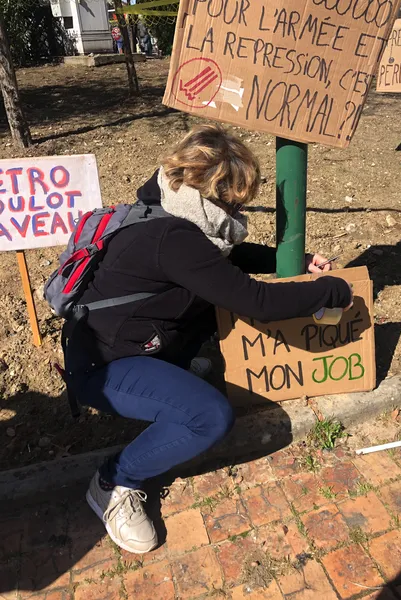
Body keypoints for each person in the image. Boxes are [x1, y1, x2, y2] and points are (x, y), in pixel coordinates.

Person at [64, 124, 353, 554]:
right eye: (236, 200)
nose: (241, 208)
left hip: (131, 337)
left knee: (210, 312)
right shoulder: (174, 239)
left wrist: (296, 259)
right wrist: (332, 291)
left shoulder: (167, 204)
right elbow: (256, 301)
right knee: (209, 417)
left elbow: (224, 260)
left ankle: (175, 372)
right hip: (103, 366)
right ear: (216, 192)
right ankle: (114, 480)